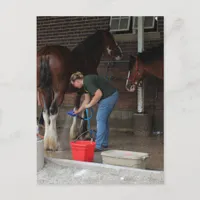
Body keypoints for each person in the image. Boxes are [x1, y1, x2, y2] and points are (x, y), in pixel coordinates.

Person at [70, 71, 119, 151]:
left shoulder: (87, 81)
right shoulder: (85, 85)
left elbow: (98, 94)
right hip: (110, 96)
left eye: (74, 84)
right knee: (103, 120)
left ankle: (98, 145)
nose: (74, 86)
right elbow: (86, 100)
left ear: (77, 81)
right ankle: (104, 143)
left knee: (100, 119)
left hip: (109, 97)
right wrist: (78, 111)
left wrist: (90, 105)